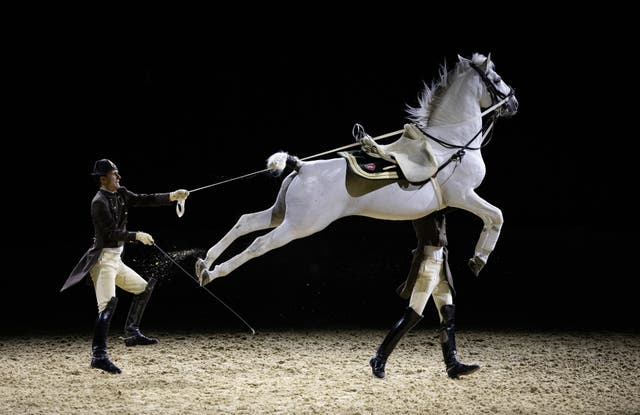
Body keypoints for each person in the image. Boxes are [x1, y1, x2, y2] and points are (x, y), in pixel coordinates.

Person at [60, 159, 190, 374]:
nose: (119, 177)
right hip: (103, 262)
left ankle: (132, 332)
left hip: (116, 261)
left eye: (118, 174)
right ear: (103, 179)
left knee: (143, 288)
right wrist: (136, 236)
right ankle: (99, 356)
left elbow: (143, 200)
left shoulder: (121, 193)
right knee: (108, 305)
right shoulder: (98, 202)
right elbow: (110, 234)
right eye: (115, 174)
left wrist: (172, 196)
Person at [369, 210, 480, 379]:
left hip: (442, 266)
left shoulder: (439, 209)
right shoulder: (422, 208)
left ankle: (452, 364)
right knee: (412, 315)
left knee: (447, 315)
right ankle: (379, 358)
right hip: (427, 268)